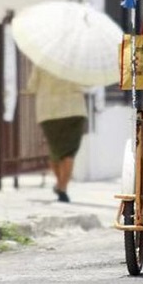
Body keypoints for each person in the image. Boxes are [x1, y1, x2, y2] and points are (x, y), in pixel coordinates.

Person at [27, 66, 88, 203]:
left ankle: (60, 185)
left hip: (49, 112)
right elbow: (88, 83)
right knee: (69, 153)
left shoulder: (42, 61)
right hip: (74, 110)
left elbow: (31, 86)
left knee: (55, 151)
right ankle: (62, 187)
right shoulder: (76, 62)